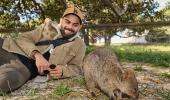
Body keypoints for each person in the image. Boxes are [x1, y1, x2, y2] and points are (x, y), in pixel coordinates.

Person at [0, 7, 86, 93]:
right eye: (67, 22)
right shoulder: (46, 28)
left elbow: (77, 68)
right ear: (61, 20)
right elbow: (23, 38)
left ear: (80, 27)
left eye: (75, 25)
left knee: (4, 81)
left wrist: (63, 71)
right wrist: (37, 55)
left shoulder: (80, 45)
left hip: (23, 69)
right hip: (9, 49)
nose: (70, 27)